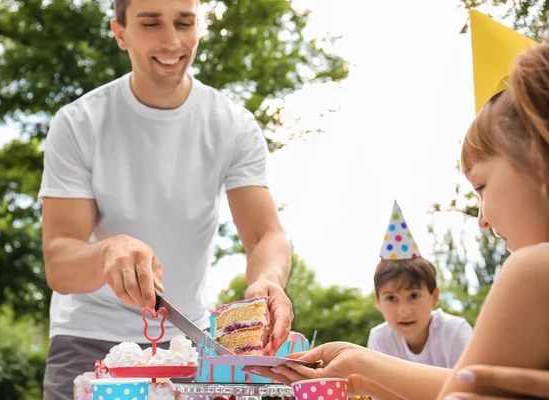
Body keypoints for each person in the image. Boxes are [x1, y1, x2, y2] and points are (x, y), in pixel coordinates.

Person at [244, 36, 549, 400]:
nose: (482, 219)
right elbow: (464, 385)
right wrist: (359, 366)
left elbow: (462, 392)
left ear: (537, 159)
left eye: (481, 186)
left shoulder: (534, 270)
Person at [38, 0, 294, 399]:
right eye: (151, 23)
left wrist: (268, 279)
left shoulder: (233, 125)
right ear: (120, 33)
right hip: (87, 339)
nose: (172, 41)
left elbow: (265, 236)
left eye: (184, 22)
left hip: (187, 347)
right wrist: (110, 251)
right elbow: (59, 262)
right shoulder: (78, 123)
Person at [368, 201, 472, 368]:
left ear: (434, 296)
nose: (404, 311)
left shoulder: (454, 332)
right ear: (378, 301)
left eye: (414, 295)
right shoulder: (380, 338)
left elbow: (471, 390)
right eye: (391, 298)